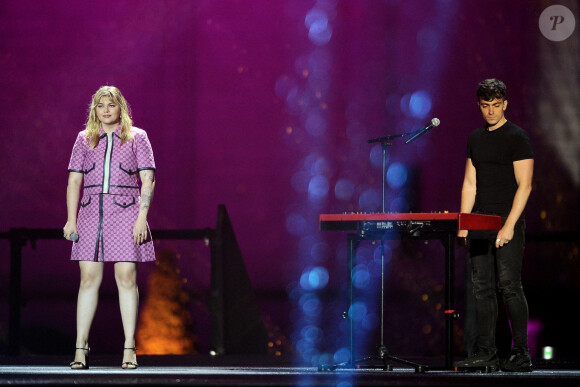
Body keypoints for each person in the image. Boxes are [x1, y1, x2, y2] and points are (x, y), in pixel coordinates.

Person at [63, 86, 156, 370]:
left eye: (111, 105)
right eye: (100, 105)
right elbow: (74, 182)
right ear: (94, 109)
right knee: (88, 278)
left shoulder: (137, 137)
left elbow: (148, 179)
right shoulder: (84, 139)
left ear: (120, 108)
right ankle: (81, 347)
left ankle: (129, 347)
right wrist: (71, 219)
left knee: (126, 276)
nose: (106, 110)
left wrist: (142, 218)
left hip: (127, 210)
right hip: (91, 212)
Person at [455, 79, 534, 372]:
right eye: (486, 105)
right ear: (479, 105)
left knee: (510, 286)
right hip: (479, 222)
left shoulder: (517, 137)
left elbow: (524, 186)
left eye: (496, 105)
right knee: (481, 289)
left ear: (505, 104)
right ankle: (486, 352)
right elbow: (469, 183)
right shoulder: (475, 138)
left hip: (507, 220)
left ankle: (522, 353)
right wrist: (463, 223)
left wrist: (510, 225)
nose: (491, 111)